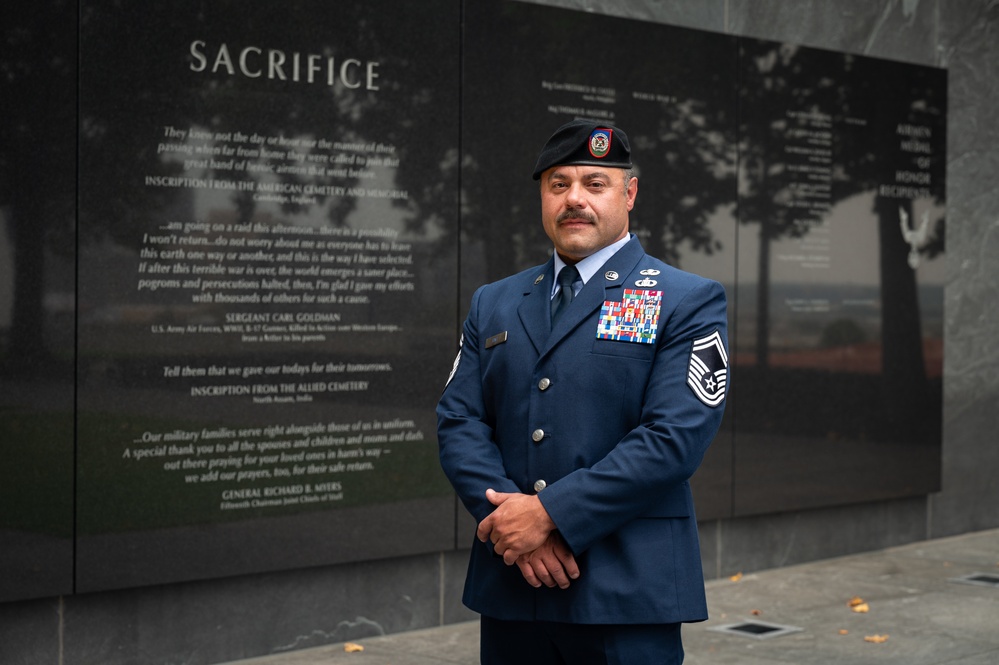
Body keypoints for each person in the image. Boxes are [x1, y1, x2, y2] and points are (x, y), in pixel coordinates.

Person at [437, 119, 729, 664]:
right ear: (543, 198)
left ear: (630, 193)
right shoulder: (494, 302)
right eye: (558, 184)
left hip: (626, 591)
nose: (575, 199)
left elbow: (673, 439)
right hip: (513, 588)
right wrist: (510, 525)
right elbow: (459, 423)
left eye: (595, 183)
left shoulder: (685, 300)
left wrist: (547, 514)